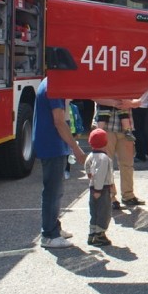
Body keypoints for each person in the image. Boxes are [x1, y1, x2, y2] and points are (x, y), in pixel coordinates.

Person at [32, 77, 87, 249]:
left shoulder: (52, 83)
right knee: (53, 191)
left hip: (54, 144)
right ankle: (49, 235)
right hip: (52, 145)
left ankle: (54, 228)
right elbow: (58, 121)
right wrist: (76, 148)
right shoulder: (53, 86)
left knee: (56, 190)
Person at [93, 99, 145, 210]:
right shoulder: (100, 81)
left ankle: (128, 195)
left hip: (125, 129)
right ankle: (111, 197)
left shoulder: (129, 82)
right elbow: (93, 96)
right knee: (106, 164)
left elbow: (140, 101)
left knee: (127, 164)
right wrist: (113, 103)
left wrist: (130, 103)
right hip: (106, 129)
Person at [84, 128, 114, 246]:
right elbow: (100, 174)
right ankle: (100, 235)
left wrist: (89, 176)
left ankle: (92, 233)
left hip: (93, 188)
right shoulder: (103, 158)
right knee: (104, 212)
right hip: (102, 189)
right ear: (106, 142)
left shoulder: (91, 155)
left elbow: (87, 167)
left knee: (94, 211)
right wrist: (98, 189)